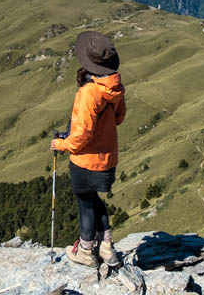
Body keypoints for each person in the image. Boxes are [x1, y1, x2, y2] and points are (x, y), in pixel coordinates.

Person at [51, 31, 127, 267]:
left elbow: (82, 133)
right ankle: (106, 248)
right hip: (107, 159)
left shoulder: (89, 92)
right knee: (94, 200)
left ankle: (86, 252)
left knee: (85, 203)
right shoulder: (115, 88)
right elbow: (119, 118)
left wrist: (62, 144)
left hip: (85, 161)